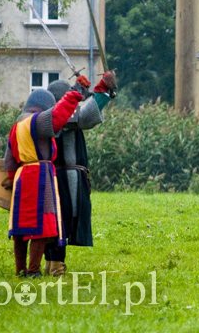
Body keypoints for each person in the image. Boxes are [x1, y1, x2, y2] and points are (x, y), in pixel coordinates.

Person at [43, 71, 117, 276]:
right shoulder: (53, 118)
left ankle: (51, 262)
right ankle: (56, 263)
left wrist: (105, 90)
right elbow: (84, 117)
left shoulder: (52, 117)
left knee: (57, 220)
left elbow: (83, 114)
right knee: (60, 220)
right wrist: (100, 90)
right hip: (61, 178)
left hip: (60, 177)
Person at [3, 87, 83, 277]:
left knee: (21, 228)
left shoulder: (17, 127)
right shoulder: (37, 121)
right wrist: (74, 94)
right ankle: (33, 271)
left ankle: (20, 269)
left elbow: (9, 159)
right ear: (43, 107)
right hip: (39, 177)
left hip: (21, 177)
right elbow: (58, 116)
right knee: (42, 225)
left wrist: (11, 177)